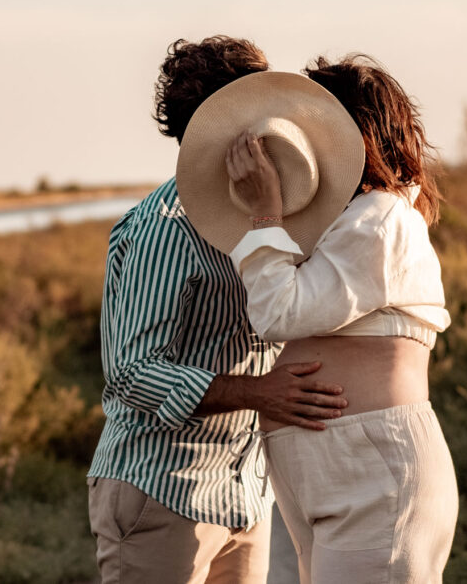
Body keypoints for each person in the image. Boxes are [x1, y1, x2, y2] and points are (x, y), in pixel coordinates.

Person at [181, 55, 458, 583]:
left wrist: (265, 215)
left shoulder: (381, 220)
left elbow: (278, 312)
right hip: (339, 479)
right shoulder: (348, 224)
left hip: (373, 478)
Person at [86, 36, 349, 584]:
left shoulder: (278, 216)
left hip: (244, 494)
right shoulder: (165, 228)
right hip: (161, 491)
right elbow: (132, 373)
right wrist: (259, 393)